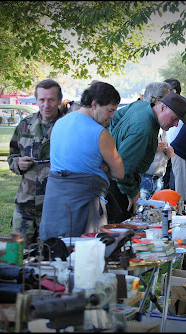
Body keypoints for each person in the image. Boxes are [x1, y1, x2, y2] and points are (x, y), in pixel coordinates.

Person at [39, 82, 124, 240]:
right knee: (84, 254)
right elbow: (119, 172)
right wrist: (105, 168)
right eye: (110, 110)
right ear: (94, 104)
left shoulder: (60, 123)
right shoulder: (100, 134)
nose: (112, 116)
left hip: (55, 203)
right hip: (83, 207)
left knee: (55, 251)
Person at [108, 92, 186, 223]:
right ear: (162, 108)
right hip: (119, 186)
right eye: (174, 118)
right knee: (121, 231)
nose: (175, 124)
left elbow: (113, 119)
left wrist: (112, 145)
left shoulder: (140, 105)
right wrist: (132, 194)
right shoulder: (143, 129)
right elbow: (124, 169)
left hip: (116, 179)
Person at [8, 79, 64, 247]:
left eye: (51, 99)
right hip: (26, 206)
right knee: (18, 259)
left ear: (59, 100)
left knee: (50, 261)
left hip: (55, 208)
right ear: (36, 100)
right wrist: (17, 163)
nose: (46, 105)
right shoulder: (25, 125)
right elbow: (12, 155)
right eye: (42, 100)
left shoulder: (67, 127)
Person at [139, 82, 174, 199]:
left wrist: (168, 152)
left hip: (158, 176)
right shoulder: (142, 120)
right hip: (144, 176)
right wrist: (152, 146)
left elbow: (163, 146)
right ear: (158, 101)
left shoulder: (161, 122)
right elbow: (132, 151)